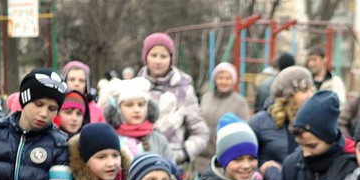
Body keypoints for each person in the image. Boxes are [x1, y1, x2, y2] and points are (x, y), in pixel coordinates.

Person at [136, 33, 210, 172]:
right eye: (153, 55)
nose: (158, 61)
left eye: (163, 56)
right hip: (140, 165)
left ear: (171, 59)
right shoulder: (135, 88)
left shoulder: (184, 89)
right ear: (145, 57)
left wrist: (182, 154)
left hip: (172, 168)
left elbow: (201, 132)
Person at [249, 66, 314, 180]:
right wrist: (265, 171)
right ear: (288, 95)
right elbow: (244, 161)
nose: (311, 95)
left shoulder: (312, 121)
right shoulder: (259, 123)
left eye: (312, 89)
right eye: (304, 90)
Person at [100, 76, 174, 162]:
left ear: (149, 108)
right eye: (129, 105)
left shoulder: (158, 139)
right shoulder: (110, 139)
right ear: (117, 110)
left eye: (141, 105)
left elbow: (171, 166)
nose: (136, 110)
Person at [195, 62, 250, 172]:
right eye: (220, 78)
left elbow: (244, 130)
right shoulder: (206, 98)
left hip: (225, 159)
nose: (224, 81)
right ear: (215, 79)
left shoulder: (240, 102)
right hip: (201, 157)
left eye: (228, 78)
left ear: (233, 81)